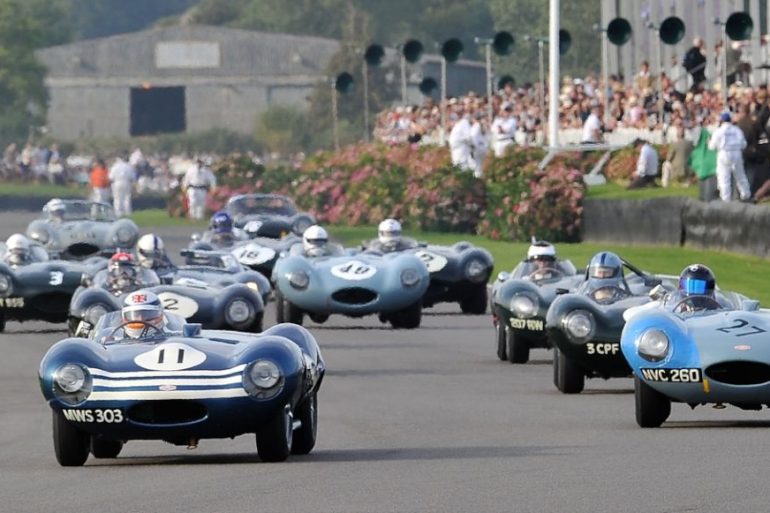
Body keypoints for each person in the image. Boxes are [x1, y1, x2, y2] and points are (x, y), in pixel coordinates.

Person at [708, 112, 751, 201]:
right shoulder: (737, 130)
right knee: (740, 176)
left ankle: (725, 199)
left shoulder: (718, 131)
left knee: (724, 177)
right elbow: (744, 144)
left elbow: (712, 147)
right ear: (730, 120)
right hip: (736, 153)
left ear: (722, 121)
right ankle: (746, 195)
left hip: (724, 153)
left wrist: (708, 142)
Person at [109, 153, 136, 217]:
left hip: (117, 182)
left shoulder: (115, 166)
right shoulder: (128, 166)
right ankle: (127, 212)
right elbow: (132, 177)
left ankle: (118, 212)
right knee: (127, 197)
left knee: (117, 198)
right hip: (126, 182)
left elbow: (111, 177)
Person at [469, 111, 489, 178]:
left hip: (477, 148)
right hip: (483, 147)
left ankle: (477, 183)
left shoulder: (476, 126)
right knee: (481, 167)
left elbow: (473, 138)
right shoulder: (482, 125)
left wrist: (472, 149)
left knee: (476, 167)